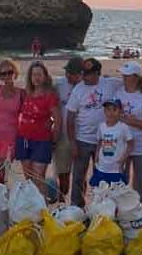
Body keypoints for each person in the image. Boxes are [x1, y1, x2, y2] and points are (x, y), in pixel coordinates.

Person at [66, 58, 121, 206]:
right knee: (78, 176)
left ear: (98, 73)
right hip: (83, 139)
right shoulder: (78, 88)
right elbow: (70, 117)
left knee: (104, 176)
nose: (84, 77)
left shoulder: (110, 83)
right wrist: (72, 143)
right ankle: (77, 207)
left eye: (88, 74)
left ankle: (104, 206)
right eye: (83, 73)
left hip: (105, 140)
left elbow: (130, 85)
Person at [16, 61, 61, 196]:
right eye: (33, 74)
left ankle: (44, 210)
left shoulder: (49, 96)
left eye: (39, 74)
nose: (36, 77)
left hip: (42, 141)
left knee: (38, 177)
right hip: (23, 139)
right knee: (29, 177)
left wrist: (54, 140)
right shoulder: (26, 94)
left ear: (45, 76)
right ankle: (34, 208)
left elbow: (58, 120)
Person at [115, 61, 142, 204]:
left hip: (141, 145)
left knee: (141, 181)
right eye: (123, 75)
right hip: (122, 144)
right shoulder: (117, 92)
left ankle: (139, 210)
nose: (124, 78)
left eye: (127, 75)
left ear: (136, 77)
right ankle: (122, 210)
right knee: (120, 180)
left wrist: (132, 122)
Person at [0, 59, 24, 184]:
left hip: (10, 137)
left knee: (4, 171)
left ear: (15, 73)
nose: (7, 76)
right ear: (0, 76)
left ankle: (3, 197)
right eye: (3, 74)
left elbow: (31, 113)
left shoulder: (21, 93)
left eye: (10, 72)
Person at [53, 57, 85, 199]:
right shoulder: (59, 84)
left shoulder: (88, 85)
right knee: (63, 173)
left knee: (80, 175)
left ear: (81, 74)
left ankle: (80, 205)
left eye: (71, 73)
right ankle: (61, 201)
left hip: (82, 137)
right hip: (63, 136)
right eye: (67, 72)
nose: (67, 76)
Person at [90, 99, 134, 186]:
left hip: (116, 168)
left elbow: (131, 144)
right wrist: (96, 156)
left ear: (120, 111)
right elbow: (99, 142)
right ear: (104, 111)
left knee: (115, 193)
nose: (111, 113)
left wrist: (123, 159)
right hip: (102, 166)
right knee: (101, 191)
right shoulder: (101, 126)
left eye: (114, 110)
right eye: (108, 109)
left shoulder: (123, 127)